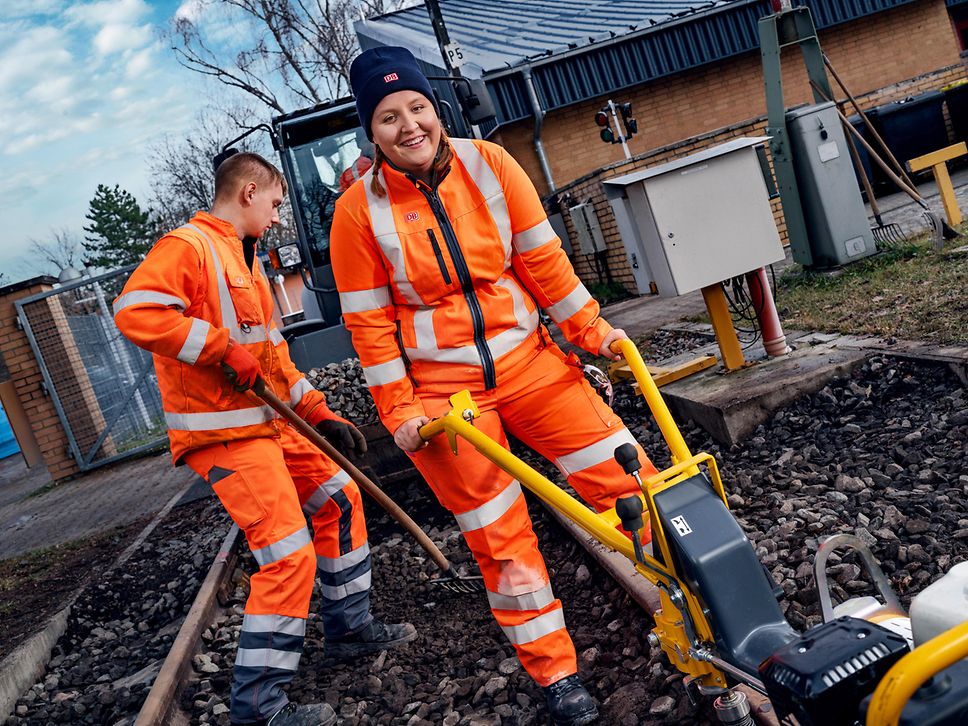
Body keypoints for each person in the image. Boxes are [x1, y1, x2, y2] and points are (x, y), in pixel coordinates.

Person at [330, 47, 661, 726]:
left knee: (633, 483)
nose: (408, 125)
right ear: (372, 131)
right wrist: (400, 412)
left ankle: (696, 599)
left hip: (534, 366)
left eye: (417, 107)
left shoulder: (492, 164)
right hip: (446, 405)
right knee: (499, 538)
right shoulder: (355, 215)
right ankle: (558, 678)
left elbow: (544, 263)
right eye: (388, 117)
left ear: (436, 109)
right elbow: (371, 330)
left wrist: (594, 331)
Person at [113, 152, 416, 726]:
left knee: (338, 497)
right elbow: (135, 310)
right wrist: (218, 348)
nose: (278, 217)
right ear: (249, 192)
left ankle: (349, 629)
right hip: (225, 433)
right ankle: (259, 707)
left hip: (268, 422)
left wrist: (320, 413)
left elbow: (271, 362)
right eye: (275, 203)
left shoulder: (247, 264)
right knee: (285, 553)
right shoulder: (191, 247)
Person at [338, 127, 376, 193]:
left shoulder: (393, 159)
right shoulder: (346, 177)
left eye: (372, 140)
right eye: (366, 141)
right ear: (359, 145)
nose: (371, 144)